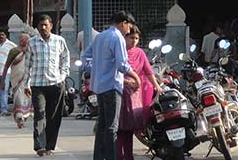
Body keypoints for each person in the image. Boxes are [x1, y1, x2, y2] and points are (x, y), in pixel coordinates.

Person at [82, 11, 140, 160]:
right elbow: (122, 65)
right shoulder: (117, 37)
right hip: (113, 86)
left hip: (99, 86)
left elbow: (86, 56)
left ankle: (99, 157)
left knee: (102, 125)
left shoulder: (100, 37)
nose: (129, 31)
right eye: (129, 27)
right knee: (112, 127)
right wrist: (135, 77)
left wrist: (94, 70)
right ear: (123, 23)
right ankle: (111, 156)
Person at [23, 16, 70, 155]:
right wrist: (26, 84)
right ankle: (40, 146)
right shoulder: (31, 42)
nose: (43, 28)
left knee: (54, 116)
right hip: (38, 85)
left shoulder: (59, 41)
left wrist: (62, 76)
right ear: (37, 27)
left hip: (56, 84)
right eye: (40, 25)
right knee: (39, 115)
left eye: (45, 25)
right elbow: (27, 66)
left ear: (51, 25)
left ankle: (50, 146)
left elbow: (65, 59)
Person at [118, 25, 161, 160]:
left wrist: (157, 86)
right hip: (119, 90)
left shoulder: (140, 53)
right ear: (124, 38)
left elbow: (148, 71)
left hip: (135, 93)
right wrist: (126, 82)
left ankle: (129, 156)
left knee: (130, 128)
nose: (134, 41)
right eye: (131, 38)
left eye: (136, 38)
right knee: (119, 129)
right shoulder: (119, 52)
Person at [5, 33, 32, 129]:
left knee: (28, 99)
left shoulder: (31, 51)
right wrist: (3, 78)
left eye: (26, 39)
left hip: (28, 79)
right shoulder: (14, 51)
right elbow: (7, 65)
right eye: (23, 39)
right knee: (18, 97)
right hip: (16, 79)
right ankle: (19, 119)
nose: (24, 41)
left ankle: (24, 118)